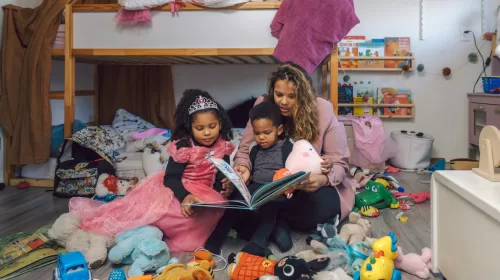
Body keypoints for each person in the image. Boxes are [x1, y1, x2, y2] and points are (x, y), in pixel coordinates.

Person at [69, 89, 237, 253]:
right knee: (157, 214)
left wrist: (225, 186)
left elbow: (221, 176)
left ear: (220, 124)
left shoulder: (223, 146)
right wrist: (185, 196)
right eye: (200, 128)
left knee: (209, 218)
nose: (207, 133)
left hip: (204, 196)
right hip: (177, 190)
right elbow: (171, 178)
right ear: (190, 127)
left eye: (212, 126)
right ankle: (146, 233)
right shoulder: (184, 147)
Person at [232, 62, 354, 252]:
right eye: (279, 94)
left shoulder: (323, 110)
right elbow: (245, 148)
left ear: (304, 95)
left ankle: (270, 222)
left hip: (304, 189)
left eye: (292, 96)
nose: (284, 102)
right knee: (235, 197)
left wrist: (322, 179)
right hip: (267, 182)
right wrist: (243, 167)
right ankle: (276, 223)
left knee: (325, 204)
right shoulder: (263, 106)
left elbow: (339, 162)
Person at [204, 100, 295, 254]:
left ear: (279, 130)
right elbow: (251, 172)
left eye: (267, 133)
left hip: (275, 191)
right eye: (257, 133)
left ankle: (258, 243)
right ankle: (215, 239)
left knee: (269, 208)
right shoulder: (255, 150)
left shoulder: (288, 147)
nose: (261, 138)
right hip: (255, 187)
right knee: (235, 203)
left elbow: (293, 170)